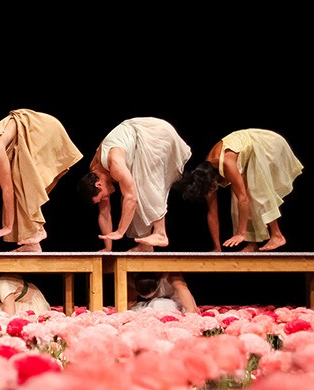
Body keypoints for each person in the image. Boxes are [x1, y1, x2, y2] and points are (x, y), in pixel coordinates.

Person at [0, 109, 83, 252]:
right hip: (30, 140)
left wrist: (8, 225)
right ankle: (32, 242)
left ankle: (37, 229)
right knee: (19, 183)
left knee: (20, 181)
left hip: (42, 129)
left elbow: (8, 189)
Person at [172, 129, 304, 252]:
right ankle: (252, 243)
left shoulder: (226, 164)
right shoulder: (205, 175)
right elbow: (212, 212)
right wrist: (217, 248)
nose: (213, 190)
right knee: (239, 200)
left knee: (255, 192)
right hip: (250, 151)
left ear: (213, 180)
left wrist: (240, 234)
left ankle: (277, 235)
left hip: (267, 143)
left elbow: (243, 199)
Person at [76, 117, 192, 251]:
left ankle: (160, 234)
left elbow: (131, 198)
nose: (105, 199)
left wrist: (120, 232)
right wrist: (108, 248)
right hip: (139, 138)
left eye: (102, 197)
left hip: (154, 133)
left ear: (98, 185)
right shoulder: (96, 172)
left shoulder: (114, 163)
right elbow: (104, 214)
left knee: (140, 187)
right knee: (131, 192)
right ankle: (145, 245)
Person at [127, 272, 198, 313]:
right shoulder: (131, 279)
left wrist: (190, 315)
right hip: (151, 305)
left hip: (180, 304)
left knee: (157, 305)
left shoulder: (171, 276)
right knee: (137, 310)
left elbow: (191, 309)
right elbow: (131, 304)